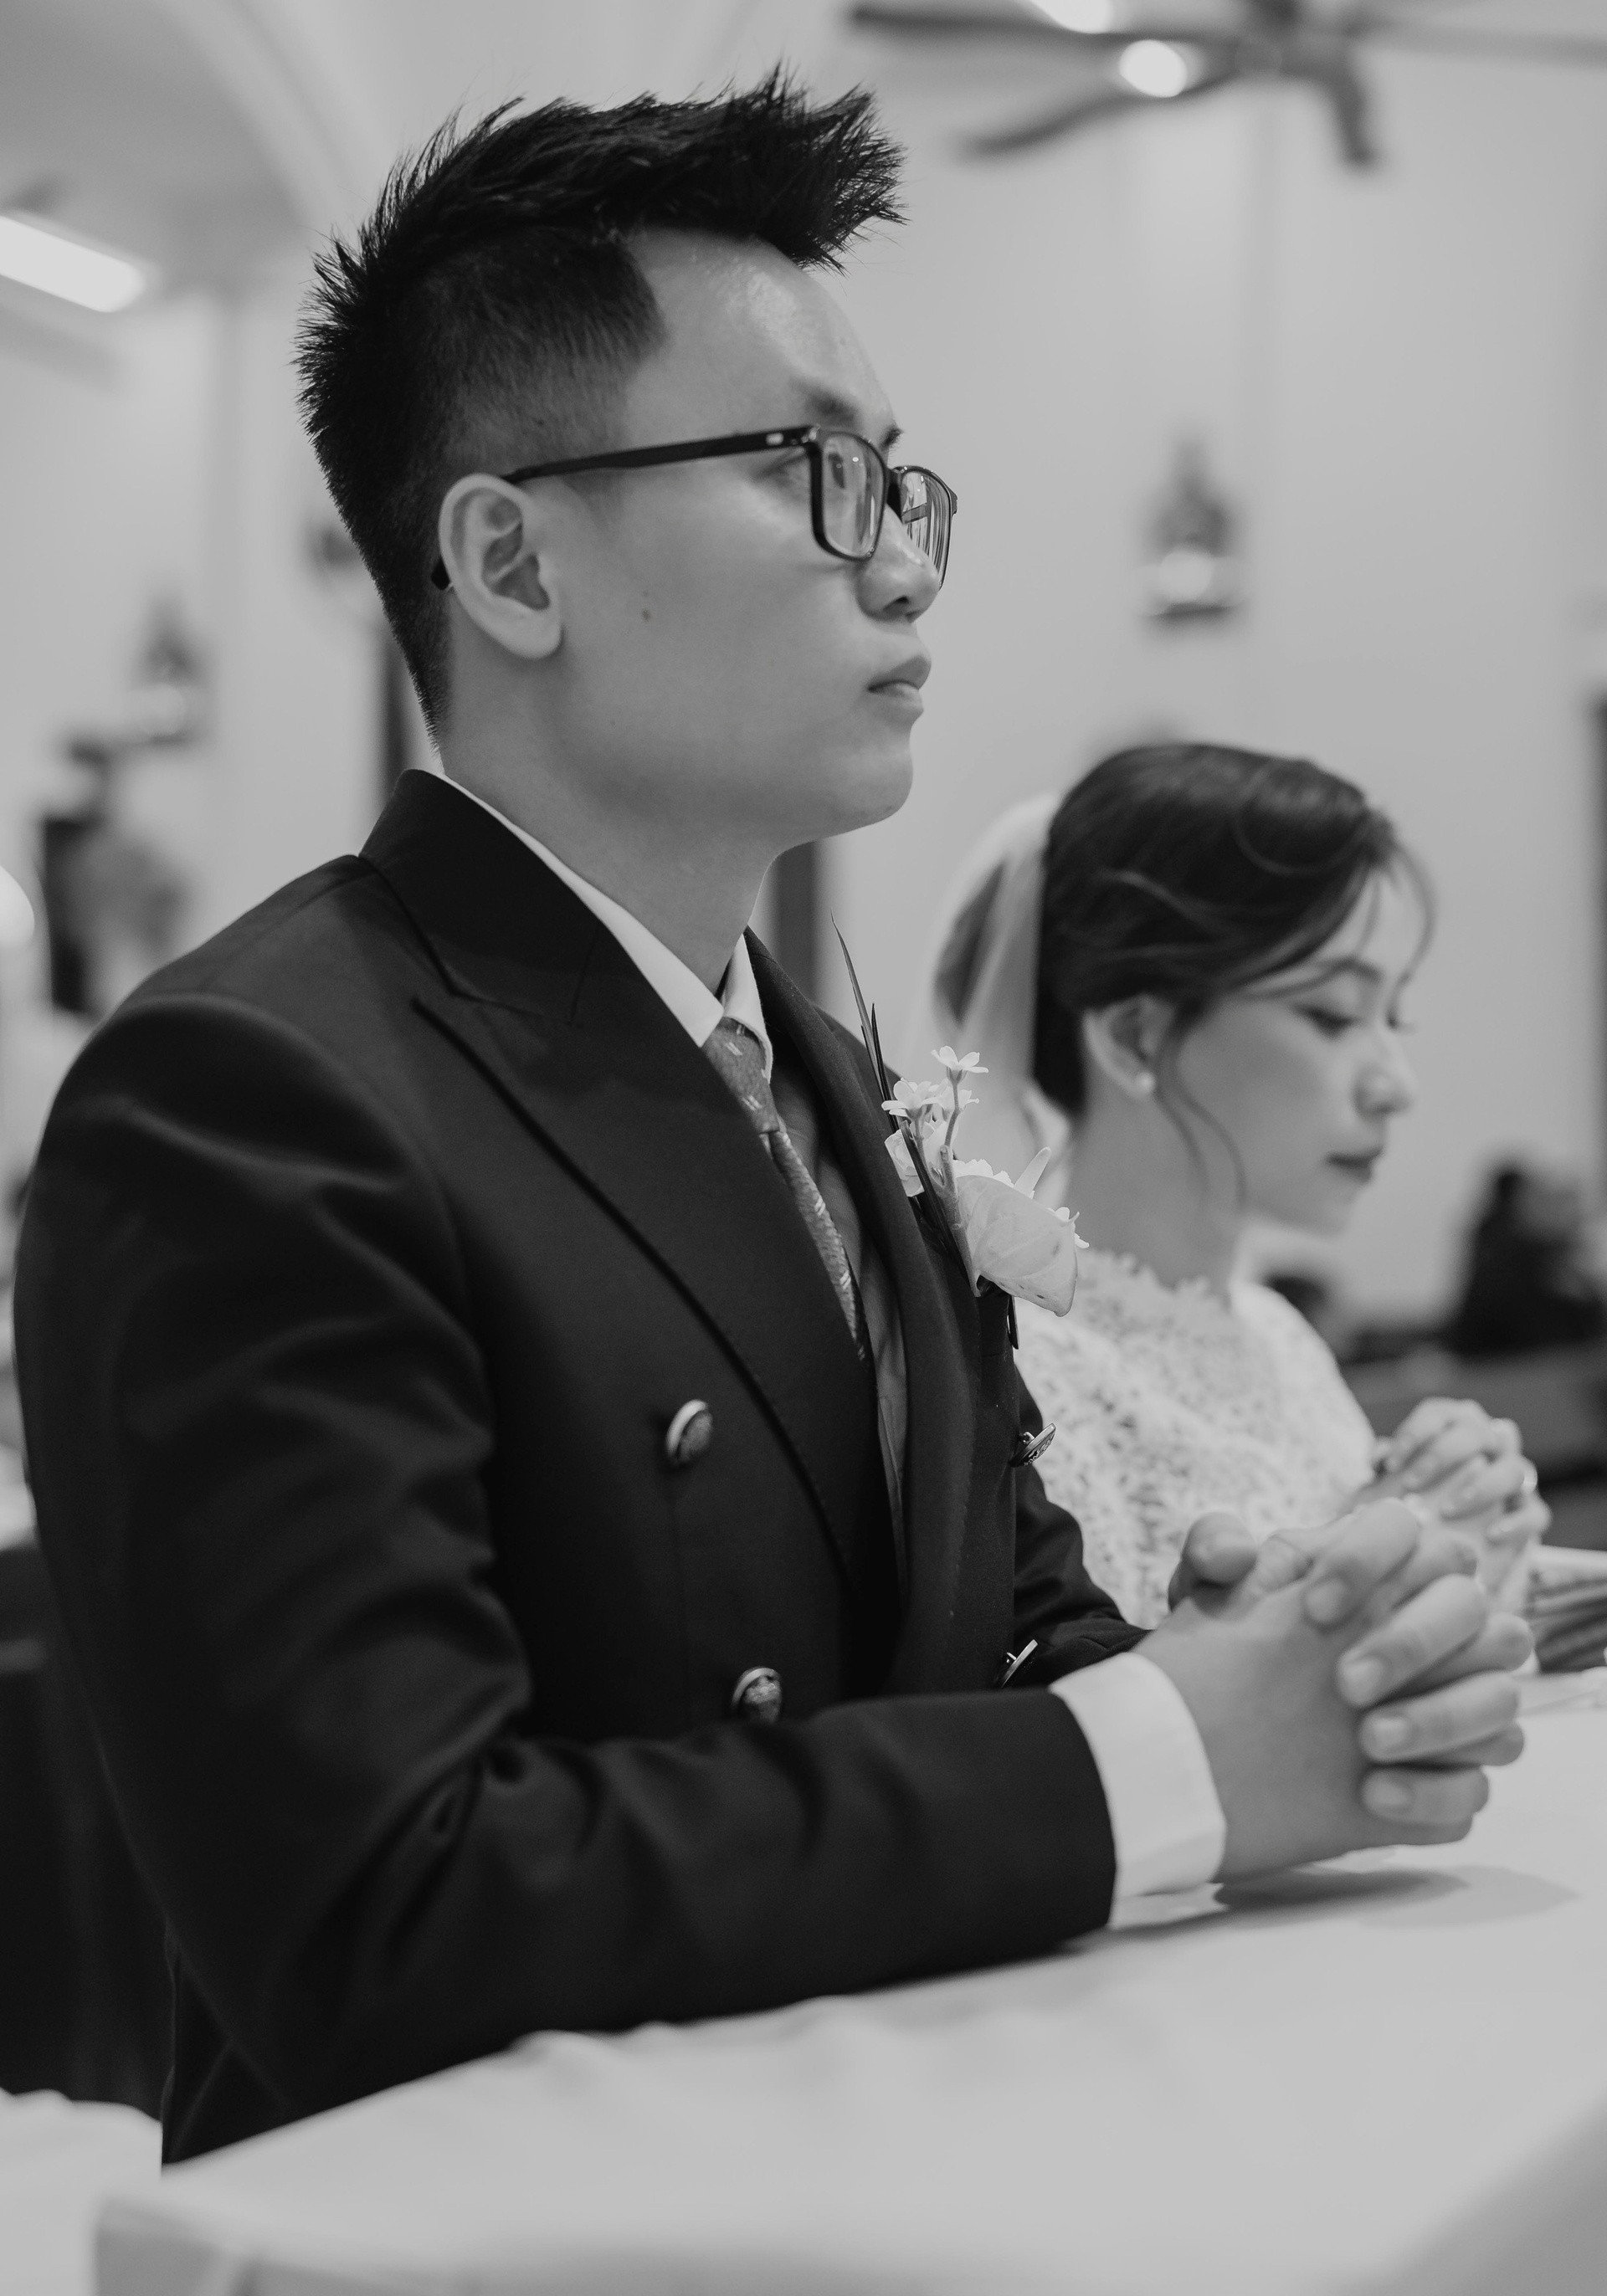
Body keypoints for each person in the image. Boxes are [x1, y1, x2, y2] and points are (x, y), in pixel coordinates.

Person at [15, 90, 1523, 2164]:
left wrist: (1292, 1658)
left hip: (890, 2157)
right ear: (512, 562)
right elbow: (388, 1905)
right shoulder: (257, 1090)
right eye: (814, 474)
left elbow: (1000, 1624)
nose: (900, 560)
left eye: (903, 482)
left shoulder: (818, 1066)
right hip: (500, 2259)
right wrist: (1158, 1761)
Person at [910, 745, 1548, 1626]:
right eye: (1334, 1014)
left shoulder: (1281, 1339)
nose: (1396, 1085)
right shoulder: (1021, 1371)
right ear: (1135, 1036)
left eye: (1393, 1016)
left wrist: (1466, 1528)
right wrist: (1367, 1545)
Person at [1445, 1159, 1607, 1359]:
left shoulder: (1525, 1250)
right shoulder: (1513, 1256)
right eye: (1538, 1200)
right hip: (1511, 1364)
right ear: (1516, 1202)